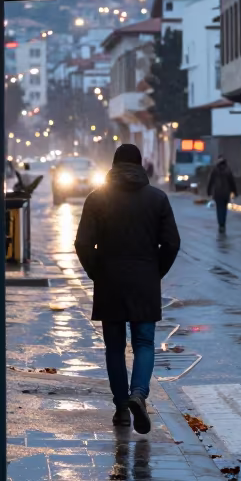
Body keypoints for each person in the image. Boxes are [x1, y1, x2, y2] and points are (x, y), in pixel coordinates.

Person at [75, 143, 180, 434]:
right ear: (141, 166)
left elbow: (82, 243)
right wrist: (155, 271)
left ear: (113, 166)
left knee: (115, 347)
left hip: (110, 282)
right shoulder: (157, 199)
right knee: (144, 343)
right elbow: (172, 243)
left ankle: (121, 408)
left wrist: (97, 272)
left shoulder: (97, 199)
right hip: (145, 280)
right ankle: (139, 393)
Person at [207, 155, 237, 232]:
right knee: (224, 209)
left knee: (219, 209)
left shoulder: (215, 170)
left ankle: (220, 224)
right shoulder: (228, 170)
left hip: (217, 192)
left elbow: (211, 181)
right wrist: (235, 192)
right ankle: (223, 223)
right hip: (226, 193)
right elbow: (232, 182)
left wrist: (209, 191)